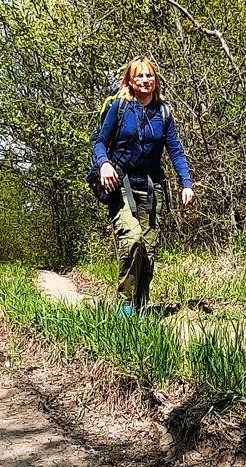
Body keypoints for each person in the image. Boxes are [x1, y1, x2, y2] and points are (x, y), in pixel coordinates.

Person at [91, 56, 195, 314]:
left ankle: (140, 307)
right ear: (130, 80)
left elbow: (175, 150)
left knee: (148, 248)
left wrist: (186, 183)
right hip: (120, 184)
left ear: (155, 79)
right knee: (132, 239)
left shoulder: (163, 112)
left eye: (149, 75)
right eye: (139, 75)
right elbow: (100, 142)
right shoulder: (120, 107)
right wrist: (104, 165)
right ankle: (125, 307)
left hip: (151, 187)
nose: (145, 80)